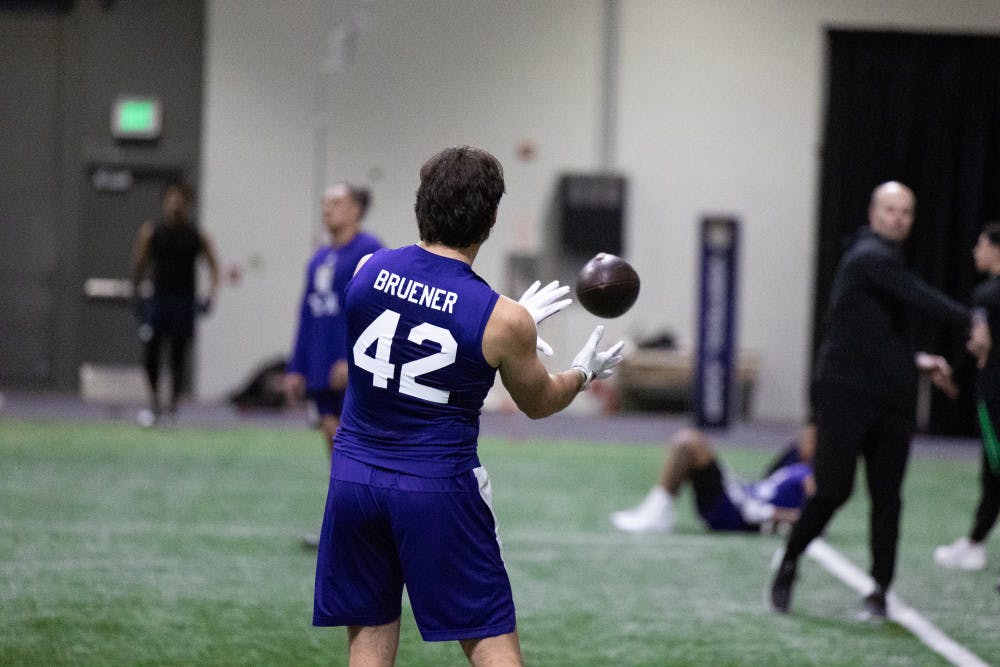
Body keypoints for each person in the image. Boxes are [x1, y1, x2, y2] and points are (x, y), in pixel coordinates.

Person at [312, 145, 624, 666]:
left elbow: (413, 319)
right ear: (491, 218)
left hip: (354, 480)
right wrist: (582, 372)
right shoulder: (502, 319)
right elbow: (539, 401)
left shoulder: (366, 269)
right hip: (436, 487)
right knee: (490, 642)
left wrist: (504, 323)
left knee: (367, 640)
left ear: (421, 203)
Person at [769, 181, 992, 619]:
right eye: (891, 209)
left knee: (888, 497)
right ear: (874, 213)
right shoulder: (868, 256)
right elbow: (919, 296)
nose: (898, 218)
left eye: (906, 211)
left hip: (892, 397)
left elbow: (875, 333)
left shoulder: (888, 263)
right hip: (846, 395)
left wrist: (916, 360)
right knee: (832, 491)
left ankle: (879, 591)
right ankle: (789, 560)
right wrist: (973, 320)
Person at [284, 183, 383, 456]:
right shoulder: (319, 259)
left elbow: (377, 312)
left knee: (358, 443)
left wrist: (354, 359)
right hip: (321, 364)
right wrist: (296, 367)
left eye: (336, 203)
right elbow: (307, 314)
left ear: (355, 210)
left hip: (354, 367)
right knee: (333, 439)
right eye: (325, 203)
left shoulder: (370, 251)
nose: (327, 209)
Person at [933, 223, 1000, 580]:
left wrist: (953, 377)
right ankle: (975, 540)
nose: (976, 251)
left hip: (995, 395)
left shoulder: (987, 295)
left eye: (981, 244)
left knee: (995, 470)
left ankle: (975, 545)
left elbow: (979, 344)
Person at [610, 425, 815, 534]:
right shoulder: (794, 461)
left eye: (812, 439)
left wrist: (770, 514)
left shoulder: (809, 475)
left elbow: (815, 514)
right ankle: (656, 510)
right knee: (689, 439)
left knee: (688, 443)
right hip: (738, 494)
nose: (804, 439)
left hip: (736, 512)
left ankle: (658, 514)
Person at [130, 180, 220, 426]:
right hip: (158, 301)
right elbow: (139, 264)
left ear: (187, 204)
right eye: (172, 199)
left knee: (178, 356)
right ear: (164, 202)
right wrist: (135, 293)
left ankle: (172, 407)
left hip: (184, 302)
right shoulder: (152, 232)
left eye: (181, 200)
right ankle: (154, 404)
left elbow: (214, 268)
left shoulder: (197, 236)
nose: (176, 205)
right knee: (151, 353)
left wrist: (210, 295)